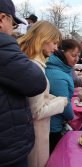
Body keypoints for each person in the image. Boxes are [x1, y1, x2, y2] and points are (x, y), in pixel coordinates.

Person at [0, 0, 47, 166]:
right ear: (1, 19)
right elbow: (36, 83)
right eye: (12, 24)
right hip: (7, 151)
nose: (13, 29)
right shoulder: (4, 47)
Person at [18, 21, 68, 167]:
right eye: (54, 43)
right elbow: (37, 111)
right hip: (36, 134)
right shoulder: (35, 67)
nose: (55, 48)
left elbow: (38, 98)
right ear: (43, 39)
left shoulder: (32, 64)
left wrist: (53, 98)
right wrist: (62, 102)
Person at [45, 39, 81, 153]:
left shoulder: (62, 68)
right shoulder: (57, 75)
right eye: (73, 55)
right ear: (62, 52)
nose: (76, 59)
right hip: (53, 126)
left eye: (78, 56)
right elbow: (64, 104)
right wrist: (71, 117)